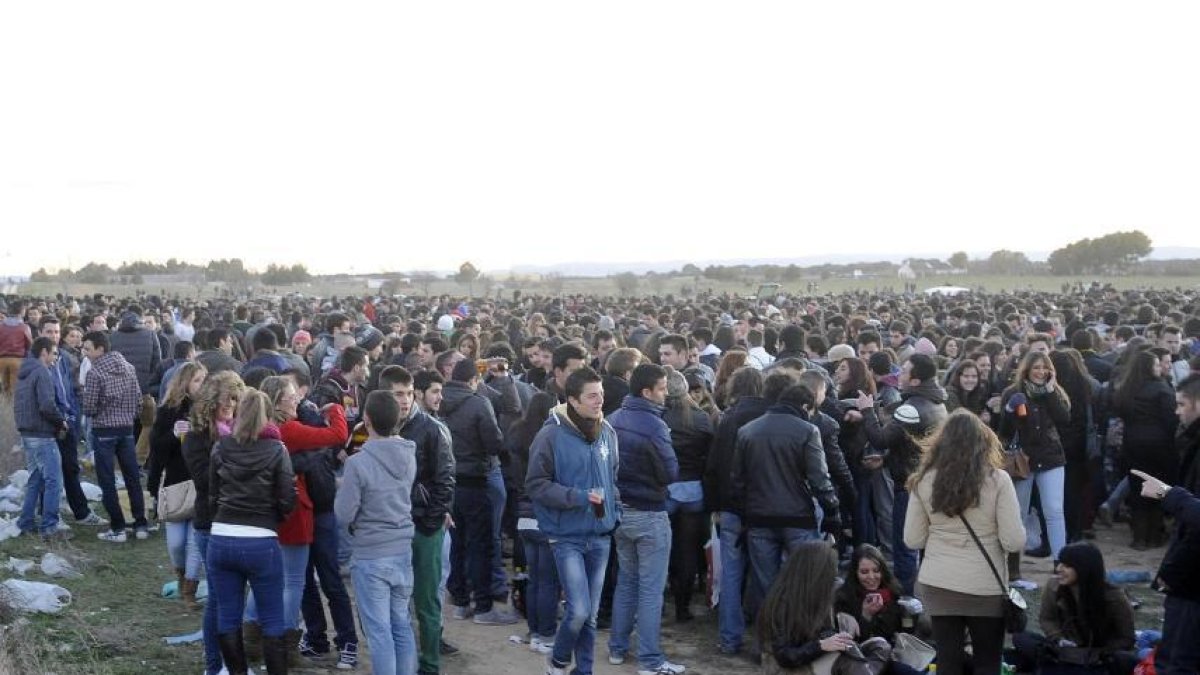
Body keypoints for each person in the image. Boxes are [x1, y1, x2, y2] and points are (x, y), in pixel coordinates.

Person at [904, 409, 1026, 675]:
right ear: (983, 441)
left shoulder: (923, 481)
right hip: (984, 584)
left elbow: (912, 539)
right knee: (987, 661)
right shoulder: (998, 481)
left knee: (948, 660)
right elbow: (1014, 540)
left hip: (938, 582)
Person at [526, 366, 620, 675]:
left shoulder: (607, 431)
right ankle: (557, 661)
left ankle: (585, 671)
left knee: (590, 615)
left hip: (601, 535)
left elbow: (612, 478)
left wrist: (614, 509)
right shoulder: (550, 435)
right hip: (566, 536)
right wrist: (579, 497)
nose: (599, 401)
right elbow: (536, 485)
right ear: (573, 400)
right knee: (578, 611)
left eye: (601, 394)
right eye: (592, 396)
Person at [207, 389, 297, 675]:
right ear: (268, 416)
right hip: (261, 538)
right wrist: (274, 518)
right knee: (272, 620)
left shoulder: (221, 447)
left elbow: (212, 494)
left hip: (222, 535)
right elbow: (287, 498)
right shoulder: (277, 450)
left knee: (227, 616)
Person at [606, 363, 687, 675]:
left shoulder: (613, 419)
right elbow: (670, 472)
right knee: (651, 589)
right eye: (663, 388)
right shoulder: (654, 426)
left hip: (620, 512)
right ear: (647, 391)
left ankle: (617, 648)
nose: (666, 393)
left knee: (627, 582)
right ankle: (650, 660)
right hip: (649, 514)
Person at [335, 390, 418, 675]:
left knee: (380, 631)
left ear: (366, 420)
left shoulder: (357, 464)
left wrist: (342, 489)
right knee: (401, 624)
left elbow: (343, 514)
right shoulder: (409, 454)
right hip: (402, 549)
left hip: (371, 554)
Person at [382, 365, 457, 672]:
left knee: (427, 601)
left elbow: (446, 478)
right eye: (398, 394)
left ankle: (429, 665)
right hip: (389, 528)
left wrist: (430, 521)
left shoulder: (430, 428)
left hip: (424, 527)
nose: (404, 400)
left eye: (409, 393)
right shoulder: (376, 424)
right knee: (393, 604)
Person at [733, 382, 841, 595]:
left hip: (759, 517)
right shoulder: (808, 430)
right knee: (804, 584)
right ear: (805, 406)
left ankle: (771, 625)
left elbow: (738, 480)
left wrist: (743, 515)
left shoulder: (747, 431)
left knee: (767, 587)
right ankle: (800, 625)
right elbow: (819, 478)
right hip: (798, 516)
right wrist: (832, 511)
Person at [1132, 374, 1200, 673]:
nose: (1176, 411)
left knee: (1177, 663)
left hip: (1193, 584)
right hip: (1188, 577)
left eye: (1182, 404)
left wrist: (1167, 493)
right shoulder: (1192, 442)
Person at [182, 371, 245, 675]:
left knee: (232, 600)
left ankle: (229, 664)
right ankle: (214, 665)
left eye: (236, 399)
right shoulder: (196, 438)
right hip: (211, 523)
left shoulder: (244, 431)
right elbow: (205, 480)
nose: (231, 406)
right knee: (219, 600)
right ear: (210, 403)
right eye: (226, 400)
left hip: (241, 523)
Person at [757, 541, 891, 675]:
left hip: (820, 656)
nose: (835, 576)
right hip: (794, 666)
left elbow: (833, 634)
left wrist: (862, 617)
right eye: (831, 572)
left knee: (879, 646)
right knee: (852, 664)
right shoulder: (783, 603)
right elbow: (784, 656)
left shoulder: (822, 595)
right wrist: (821, 645)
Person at [1010, 543, 1137, 674]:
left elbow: (1127, 638)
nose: (1059, 569)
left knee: (1125, 660)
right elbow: (1047, 619)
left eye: (1067, 566)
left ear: (1084, 569)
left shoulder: (1113, 596)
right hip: (1064, 650)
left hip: (1098, 656)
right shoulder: (1054, 587)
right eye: (1059, 563)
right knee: (1022, 638)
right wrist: (1059, 639)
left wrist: (1098, 653)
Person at [999, 350, 1071, 561]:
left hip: (1051, 457)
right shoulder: (1013, 392)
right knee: (1018, 513)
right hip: (1022, 459)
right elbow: (1003, 431)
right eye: (1036, 367)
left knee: (1054, 511)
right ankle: (1012, 567)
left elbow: (1064, 419)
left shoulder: (1054, 392)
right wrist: (1010, 409)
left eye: (1044, 367)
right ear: (1027, 370)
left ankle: (1061, 562)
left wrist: (1050, 392)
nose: (1040, 372)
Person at [147, 361, 208, 609]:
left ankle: (190, 591)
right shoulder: (169, 410)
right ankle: (182, 576)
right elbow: (156, 450)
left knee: (195, 542)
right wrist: (173, 434)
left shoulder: (210, 410)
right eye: (197, 380)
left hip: (201, 483)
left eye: (204, 380)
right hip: (175, 483)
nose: (202, 385)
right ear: (184, 383)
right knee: (176, 543)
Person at [82, 330, 150, 542]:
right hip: (127, 429)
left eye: (88, 349)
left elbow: (89, 407)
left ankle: (118, 527)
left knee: (107, 480)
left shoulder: (95, 373)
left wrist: (100, 411)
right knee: (132, 478)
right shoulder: (129, 368)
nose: (85, 353)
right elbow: (139, 401)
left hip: (104, 431)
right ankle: (140, 524)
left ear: (100, 349)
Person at [508, 392, 562, 655]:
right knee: (549, 581)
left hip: (523, 515)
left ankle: (534, 631)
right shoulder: (551, 439)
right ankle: (547, 634)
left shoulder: (516, 433)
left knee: (534, 579)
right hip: (546, 515)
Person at [1111, 349, 1178, 549]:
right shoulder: (1162, 388)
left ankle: (1139, 537)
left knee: (1137, 489)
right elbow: (1171, 418)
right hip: (1159, 446)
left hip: (1132, 444)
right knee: (1157, 490)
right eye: (1157, 364)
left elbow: (1118, 411)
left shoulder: (1126, 388)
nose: (1160, 368)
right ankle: (1155, 535)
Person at [662, 366, 714, 623]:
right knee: (687, 550)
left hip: (665, 488)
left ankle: (659, 602)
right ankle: (682, 608)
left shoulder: (658, 416)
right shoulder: (701, 417)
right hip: (694, 490)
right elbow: (711, 456)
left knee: (660, 548)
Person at [15, 337, 70, 541]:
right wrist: (61, 422)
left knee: (35, 480)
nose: (55, 358)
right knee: (54, 481)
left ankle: (26, 522)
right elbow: (47, 405)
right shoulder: (41, 371)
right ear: (44, 352)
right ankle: (50, 527)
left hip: (27, 434)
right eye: (53, 353)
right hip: (42, 435)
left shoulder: (24, 372)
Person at [833, 544, 905, 644]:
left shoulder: (893, 593)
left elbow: (904, 630)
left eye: (876, 571)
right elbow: (853, 643)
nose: (871, 577)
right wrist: (866, 616)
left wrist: (911, 615)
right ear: (855, 573)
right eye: (864, 572)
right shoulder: (844, 599)